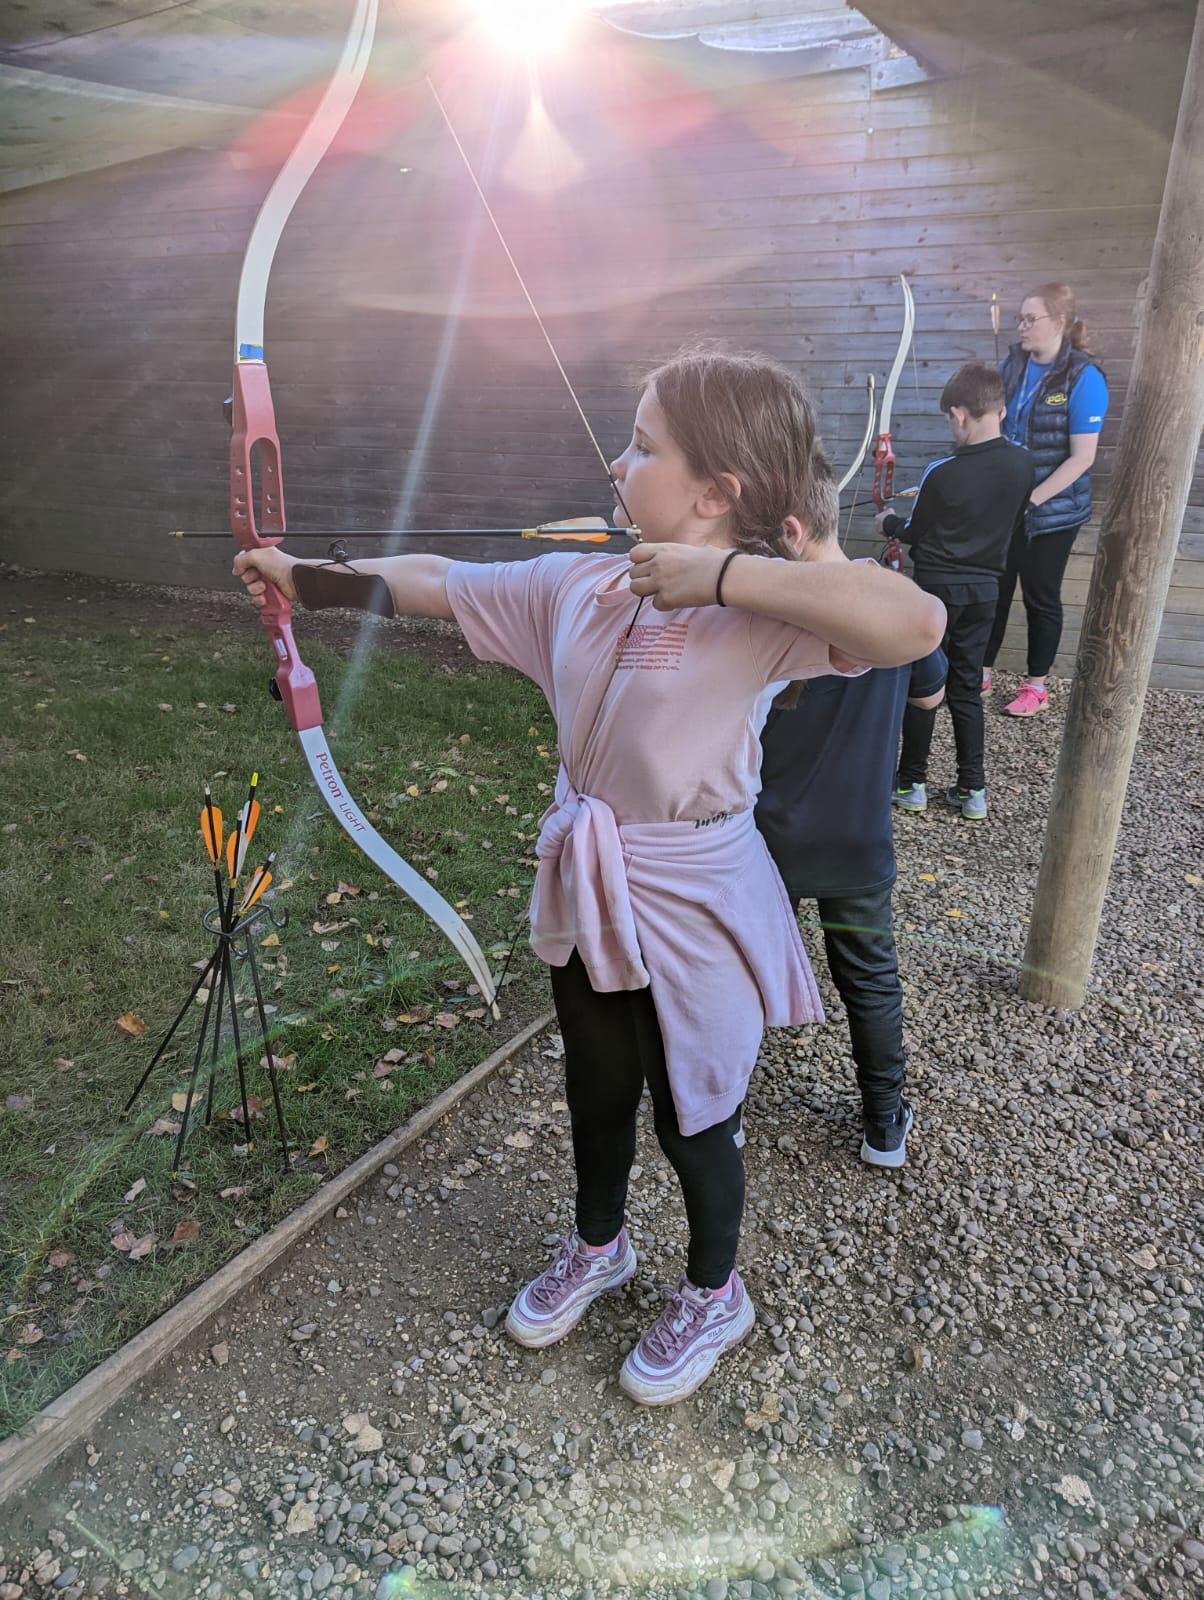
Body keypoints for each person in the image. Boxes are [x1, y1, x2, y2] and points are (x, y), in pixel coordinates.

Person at [234, 348, 945, 1407]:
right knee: (598, 1083)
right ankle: (600, 1244)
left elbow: (914, 622)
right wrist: (304, 577)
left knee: (694, 1112)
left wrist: (719, 577)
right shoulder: (578, 585)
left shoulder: (762, 615)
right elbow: (436, 582)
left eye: (643, 446)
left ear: (715, 492)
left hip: (693, 893)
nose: (617, 462)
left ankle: (716, 1292)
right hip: (591, 878)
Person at [757, 466, 946, 1169]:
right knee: (869, 977)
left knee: (741, 971)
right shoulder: (893, 606)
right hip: (855, 840)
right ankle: (884, 1123)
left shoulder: (761, 609)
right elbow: (930, 697)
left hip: (765, 838)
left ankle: (723, 1114)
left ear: (790, 532)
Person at [877, 361, 1035, 820]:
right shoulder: (1024, 464)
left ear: (960, 414)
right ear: (1001, 411)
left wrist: (887, 521)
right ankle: (973, 790)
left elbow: (915, 531)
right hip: (985, 592)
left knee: (925, 685)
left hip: (937, 592)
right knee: (966, 688)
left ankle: (911, 783)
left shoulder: (941, 471)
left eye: (951, 418)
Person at [982, 283, 1109, 716]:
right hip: (1007, 505)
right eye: (1019, 318)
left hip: (1053, 512)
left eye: (1030, 318)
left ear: (1059, 321)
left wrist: (1031, 500)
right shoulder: (1011, 365)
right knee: (995, 589)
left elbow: (1082, 458)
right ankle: (981, 672)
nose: (1021, 326)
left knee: (1041, 595)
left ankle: (1036, 686)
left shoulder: (1083, 376)